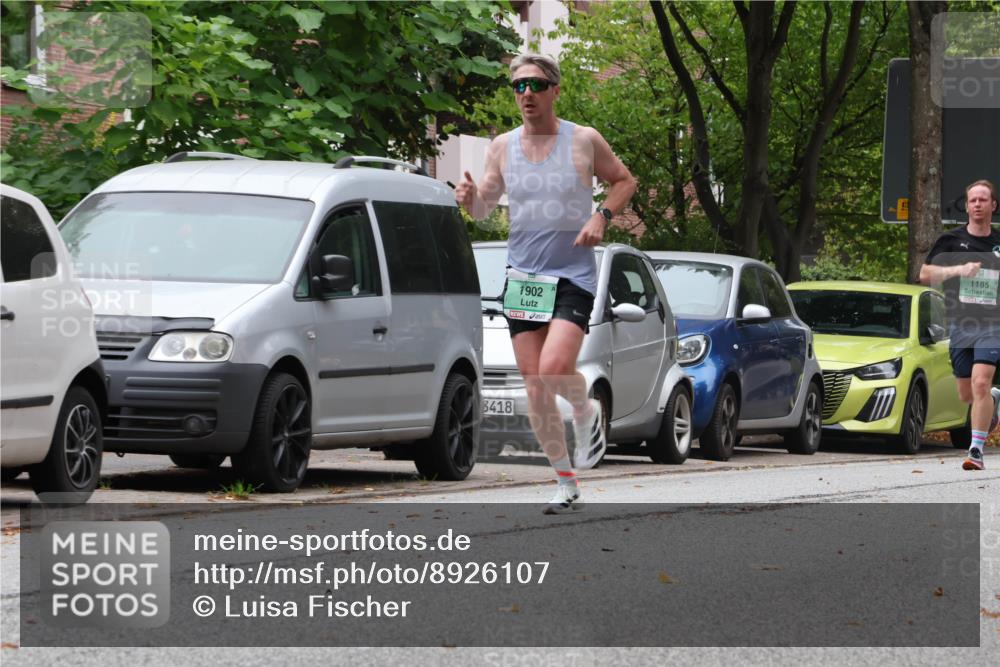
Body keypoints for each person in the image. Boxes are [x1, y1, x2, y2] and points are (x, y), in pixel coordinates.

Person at [455, 53, 636, 513]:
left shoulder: (584, 140)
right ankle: (565, 480)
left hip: (572, 272)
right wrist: (470, 199)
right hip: (523, 275)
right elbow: (483, 208)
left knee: (555, 369)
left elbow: (624, 181)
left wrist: (601, 216)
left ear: (555, 89)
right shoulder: (502, 146)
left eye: (536, 85)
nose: (527, 94)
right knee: (534, 384)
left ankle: (586, 409)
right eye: (519, 86)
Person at [919, 179, 1000, 470]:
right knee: (967, 394)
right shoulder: (950, 240)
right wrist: (959, 269)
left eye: (983, 199)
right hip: (961, 323)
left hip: (992, 324)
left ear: (993, 205)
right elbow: (925, 274)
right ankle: (992, 402)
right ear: (966, 206)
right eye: (973, 200)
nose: (977, 204)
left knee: (980, 380)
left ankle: (976, 450)